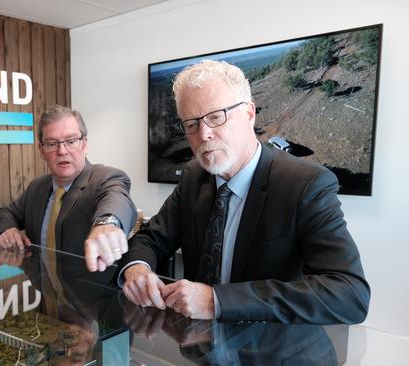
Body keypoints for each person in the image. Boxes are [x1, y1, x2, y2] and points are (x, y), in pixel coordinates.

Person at [118, 60, 370, 324]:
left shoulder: (305, 185)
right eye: (191, 124)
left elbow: (349, 294)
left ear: (249, 114)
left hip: (276, 351)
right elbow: (151, 238)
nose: (203, 134)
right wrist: (137, 268)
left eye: (216, 117)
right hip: (200, 347)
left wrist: (218, 301)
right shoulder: (194, 176)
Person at [0, 105, 136, 273]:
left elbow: (116, 199)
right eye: (52, 143)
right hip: (44, 292)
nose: (62, 151)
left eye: (71, 141)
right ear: (42, 151)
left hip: (90, 297)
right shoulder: (37, 187)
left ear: (84, 144)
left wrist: (108, 223)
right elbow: (7, 213)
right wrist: (6, 230)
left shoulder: (106, 178)